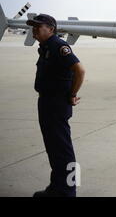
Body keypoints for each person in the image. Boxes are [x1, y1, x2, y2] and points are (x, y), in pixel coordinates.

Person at [26, 14, 85, 197]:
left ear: (51, 29)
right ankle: (57, 187)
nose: (34, 31)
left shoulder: (59, 46)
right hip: (47, 102)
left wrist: (72, 94)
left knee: (63, 150)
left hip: (57, 104)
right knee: (54, 148)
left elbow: (80, 70)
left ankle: (68, 191)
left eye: (38, 27)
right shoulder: (45, 47)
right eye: (33, 27)